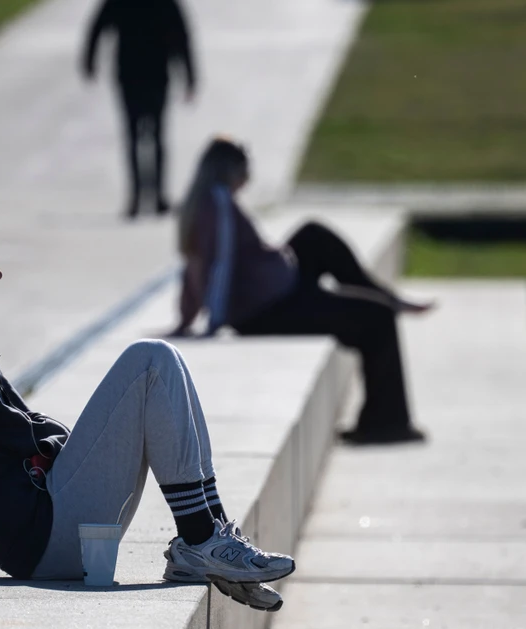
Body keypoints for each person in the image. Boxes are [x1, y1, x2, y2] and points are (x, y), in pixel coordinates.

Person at [0, 201, 291, 612]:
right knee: (151, 361)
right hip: (43, 534)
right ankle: (201, 538)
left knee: (163, 361)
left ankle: (208, 533)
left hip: (47, 518)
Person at [172, 137, 434, 444]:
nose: (248, 178)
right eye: (245, 170)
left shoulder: (203, 204)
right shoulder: (218, 207)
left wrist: (186, 318)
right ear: (230, 171)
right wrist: (210, 321)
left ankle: (384, 296)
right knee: (377, 317)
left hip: (274, 290)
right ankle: (386, 424)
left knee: (314, 235)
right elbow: (214, 267)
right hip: (268, 308)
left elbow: (194, 266)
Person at [83, 0, 196, 218]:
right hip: (149, 74)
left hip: (135, 74)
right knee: (151, 137)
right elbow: (181, 37)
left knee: (139, 137)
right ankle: (151, 197)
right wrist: (189, 76)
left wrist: (89, 60)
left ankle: (145, 198)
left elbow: (98, 26)